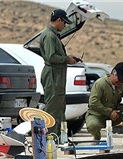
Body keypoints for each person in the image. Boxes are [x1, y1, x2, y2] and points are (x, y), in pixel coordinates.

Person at [39, 9, 78, 138]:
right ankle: (49, 138)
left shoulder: (53, 35)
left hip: (57, 75)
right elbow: (51, 57)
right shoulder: (49, 36)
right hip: (53, 76)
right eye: (64, 22)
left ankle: (58, 137)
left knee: (60, 108)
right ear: (59, 20)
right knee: (53, 109)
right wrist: (67, 59)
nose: (65, 25)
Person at [85, 62, 123, 148]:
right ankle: (96, 137)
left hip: (114, 115)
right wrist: (109, 112)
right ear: (114, 74)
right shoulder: (100, 84)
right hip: (97, 115)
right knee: (93, 125)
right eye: (119, 80)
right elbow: (93, 103)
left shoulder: (120, 86)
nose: (120, 83)